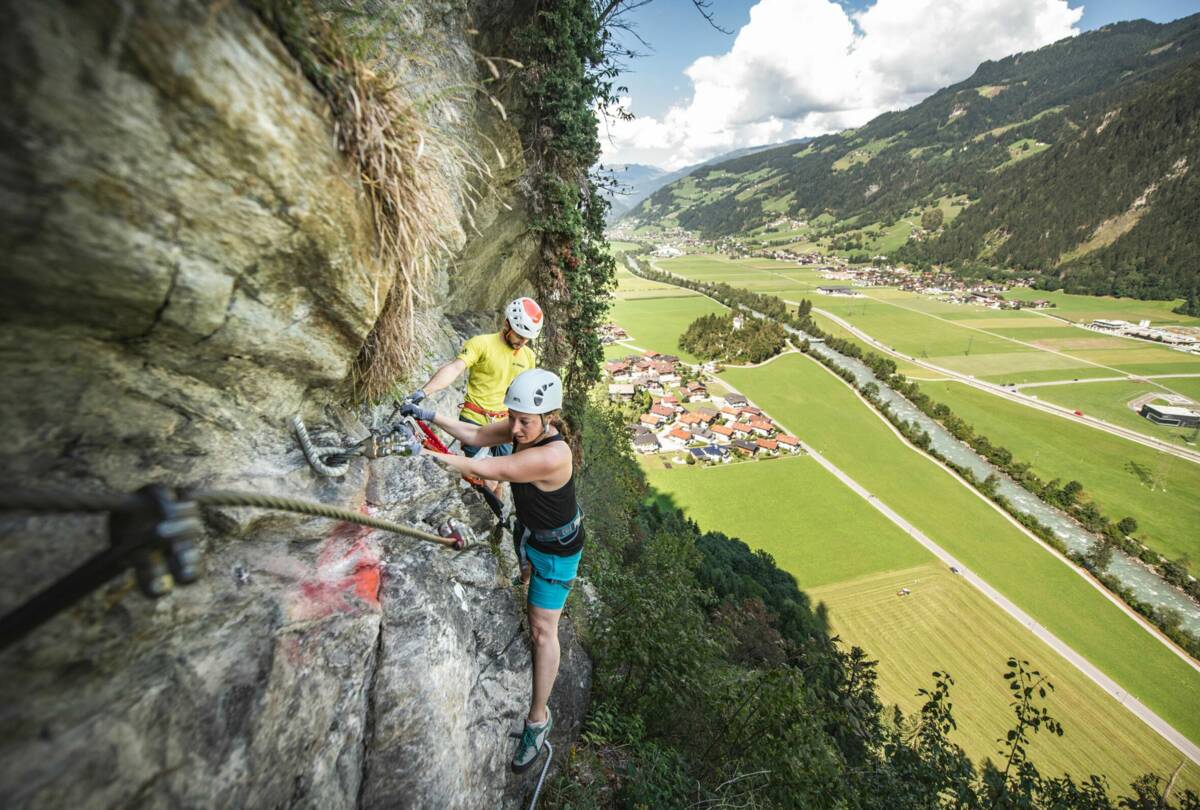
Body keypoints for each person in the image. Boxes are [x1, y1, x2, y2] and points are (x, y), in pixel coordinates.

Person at [401, 368, 582, 773]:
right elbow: (479, 436)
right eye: (513, 417)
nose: (515, 428)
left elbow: (490, 469)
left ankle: (538, 720)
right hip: (534, 533)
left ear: (548, 418)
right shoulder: (525, 428)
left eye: (524, 421)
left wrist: (422, 452)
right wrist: (429, 417)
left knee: (541, 630)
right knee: (528, 589)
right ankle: (526, 571)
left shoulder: (552, 454)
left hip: (557, 550)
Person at [404, 298, 543, 494]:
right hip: (475, 418)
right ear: (507, 324)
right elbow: (455, 368)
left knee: (501, 481)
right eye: (519, 335)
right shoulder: (482, 344)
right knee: (488, 479)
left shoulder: (528, 357)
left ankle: (496, 517)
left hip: (505, 423)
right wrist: (423, 392)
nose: (522, 342)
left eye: (527, 339)